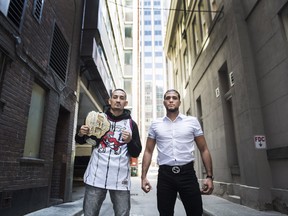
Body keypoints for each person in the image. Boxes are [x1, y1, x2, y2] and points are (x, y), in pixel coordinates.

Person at [141, 89, 214, 216]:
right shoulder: (155, 124)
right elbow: (148, 151)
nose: (171, 100)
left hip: (187, 174)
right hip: (165, 175)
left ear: (179, 102)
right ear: (163, 102)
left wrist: (209, 177)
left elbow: (204, 149)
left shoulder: (192, 122)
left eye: (174, 98)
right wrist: (143, 177)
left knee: (195, 212)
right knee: (165, 213)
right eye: (168, 98)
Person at [75, 89, 142, 216]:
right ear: (109, 101)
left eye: (121, 98)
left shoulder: (132, 124)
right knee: (89, 214)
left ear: (125, 102)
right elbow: (83, 141)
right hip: (96, 175)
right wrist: (80, 133)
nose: (118, 100)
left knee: (122, 214)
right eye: (115, 97)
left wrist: (130, 140)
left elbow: (136, 152)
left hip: (120, 178)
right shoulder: (97, 118)